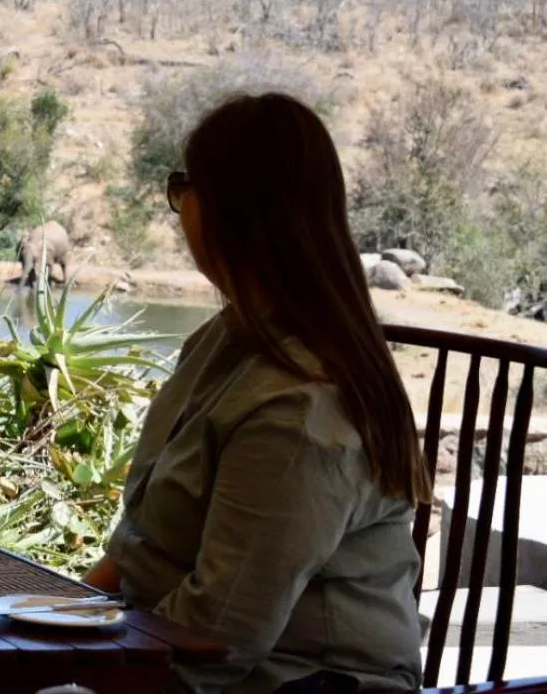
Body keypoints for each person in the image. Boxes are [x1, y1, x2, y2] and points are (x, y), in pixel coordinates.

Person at [84, 93, 428, 694]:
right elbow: (144, 548)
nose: (179, 205)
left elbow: (222, 636)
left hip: (293, 680)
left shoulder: (299, 408)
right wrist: (48, 617)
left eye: (181, 186)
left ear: (225, 207)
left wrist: (64, 675)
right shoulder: (226, 339)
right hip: (166, 646)